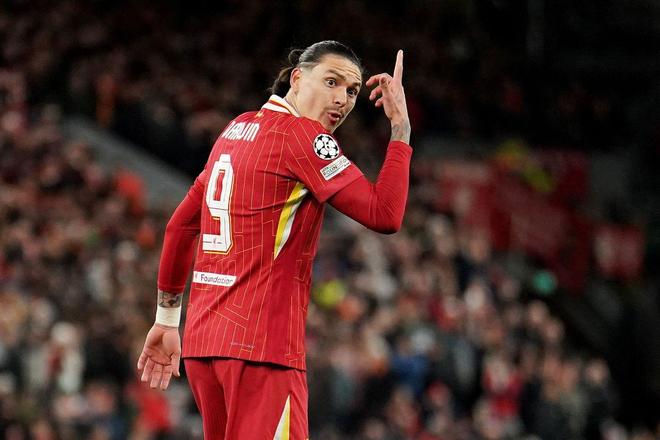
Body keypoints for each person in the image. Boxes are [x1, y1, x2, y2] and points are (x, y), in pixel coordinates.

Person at [137, 40, 412, 439]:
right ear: (297, 78)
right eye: (331, 82)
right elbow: (384, 214)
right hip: (262, 352)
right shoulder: (304, 138)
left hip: (204, 347)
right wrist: (400, 129)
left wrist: (166, 321)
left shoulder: (236, 129)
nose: (342, 99)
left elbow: (180, 226)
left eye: (352, 91)